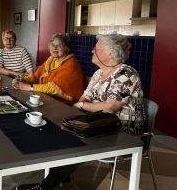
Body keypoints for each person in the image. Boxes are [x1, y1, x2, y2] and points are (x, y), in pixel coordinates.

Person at [16, 34, 147, 190]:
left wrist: (82, 106)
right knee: (59, 131)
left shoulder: (126, 74)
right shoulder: (99, 73)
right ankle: (59, 180)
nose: (92, 51)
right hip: (99, 122)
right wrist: (74, 111)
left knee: (74, 141)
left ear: (111, 53)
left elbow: (110, 107)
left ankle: (46, 186)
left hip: (123, 130)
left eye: (96, 48)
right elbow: (85, 97)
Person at [12, 33, 84, 104]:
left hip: (63, 103)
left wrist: (29, 87)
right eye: (52, 45)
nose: (55, 48)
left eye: (59, 45)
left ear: (66, 48)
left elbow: (54, 88)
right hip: (47, 97)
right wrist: (23, 80)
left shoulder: (71, 64)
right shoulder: (52, 59)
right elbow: (36, 76)